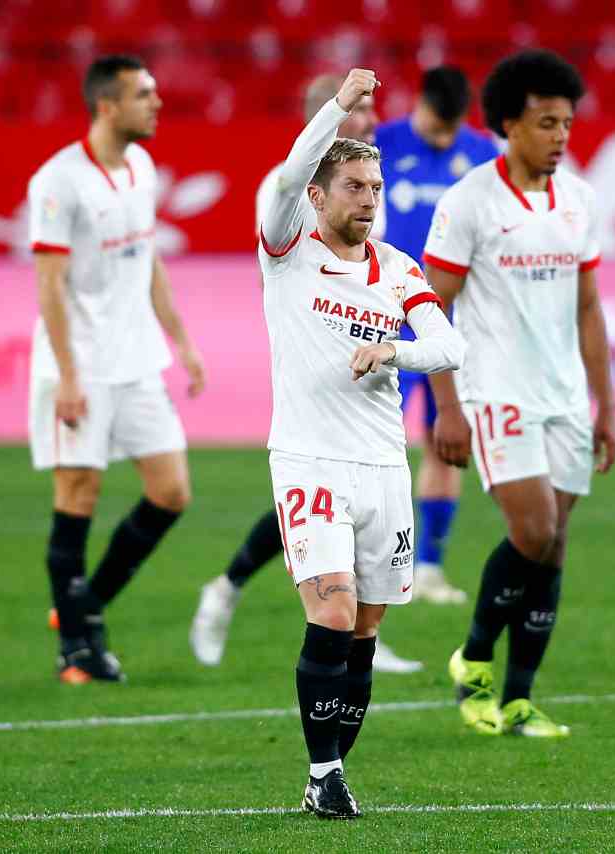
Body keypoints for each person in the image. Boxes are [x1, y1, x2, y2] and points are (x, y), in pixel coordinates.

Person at [259, 68, 466, 819]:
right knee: (335, 613)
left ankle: (330, 771)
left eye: (375, 189)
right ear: (321, 196)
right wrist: (339, 108)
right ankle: (323, 772)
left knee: (368, 631)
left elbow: (448, 346)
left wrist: (394, 353)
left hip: (384, 468)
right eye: (355, 187)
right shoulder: (286, 249)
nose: (370, 200)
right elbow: (287, 172)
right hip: (310, 460)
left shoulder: (399, 271)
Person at [189, 74, 422, 675]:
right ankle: (230, 588)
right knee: (317, 498)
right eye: (356, 113)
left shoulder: (367, 184)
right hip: (315, 362)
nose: (368, 123)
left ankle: (351, 627)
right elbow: (280, 267)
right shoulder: (291, 183)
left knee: (338, 504)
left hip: (366, 360)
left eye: (372, 114)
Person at [422, 50, 615, 737]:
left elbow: (589, 307)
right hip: (494, 390)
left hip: (564, 395)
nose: (561, 136)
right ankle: (473, 658)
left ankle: (518, 697)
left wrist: (606, 406)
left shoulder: (580, 200)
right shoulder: (470, 200)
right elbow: (428, 305)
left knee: (555, 544)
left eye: (567, 122)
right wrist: (446, 405)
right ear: (509, 124)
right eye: (546, 123)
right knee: (532, 530)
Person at [28, 55, 207, 685]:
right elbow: (49, 286)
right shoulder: (59, 182)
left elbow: (146, 259)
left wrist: (180, 341)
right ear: (108, 106)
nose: (157, 103)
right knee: (79, 494)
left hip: (136, 362)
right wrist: (69, 376)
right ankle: (76, 649)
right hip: (79, 365)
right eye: (144, 94)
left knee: (171, 491)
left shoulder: (141, 167)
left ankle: (83, 606)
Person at [375, 66, 500, 605]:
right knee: (376, 443)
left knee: (446, 440)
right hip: (384, 316)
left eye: (454, 128)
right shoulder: (379, 143)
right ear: (418, 102)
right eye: (436, 124)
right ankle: (373, 562)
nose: (446, 138)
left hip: (453, 322)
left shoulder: (482, 155)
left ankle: (428, 567)